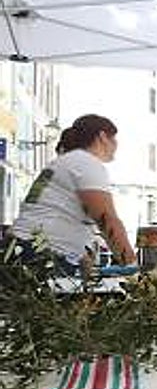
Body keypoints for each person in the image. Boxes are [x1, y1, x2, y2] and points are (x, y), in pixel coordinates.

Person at [11, 113, 136, 271]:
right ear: (103, 137)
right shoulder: (86, 163)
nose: (116, 145)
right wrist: (132, 267)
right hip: (40, 254)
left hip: (26, 248)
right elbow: (107, 221)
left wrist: (81, 257)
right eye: (114, 139)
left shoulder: (65, 162)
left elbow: (60, 212)